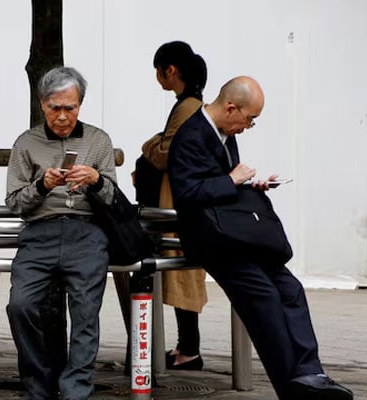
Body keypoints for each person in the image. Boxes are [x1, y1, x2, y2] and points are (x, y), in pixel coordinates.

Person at [167, 76, 353, 400]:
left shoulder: (225, 132)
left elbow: (222, 185)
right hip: (213, 241)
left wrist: (250, 185)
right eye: (250, 118)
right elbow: (187, 195)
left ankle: (311, 373)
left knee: (291, 288)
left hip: (236, 232)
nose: (249, 126)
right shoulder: (191, 135)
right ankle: (291, 387)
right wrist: (230, 179)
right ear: (230, 108)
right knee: (264, 298)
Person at [5, 66, 116, 400]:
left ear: (80, 104)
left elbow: (112, 196)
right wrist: (42, 185)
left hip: (86, 232)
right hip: (40, 232)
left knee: (85, 312)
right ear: (43, 104)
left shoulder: (98, 141)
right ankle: (39, 384)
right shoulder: (26, 143)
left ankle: (75, 389)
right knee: (20, 306)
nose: (63, 116)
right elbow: (14, 202)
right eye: (56, 108)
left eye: (71, 108)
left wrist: (95, 180)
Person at [134, 41, 207, 370]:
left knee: (181, 274)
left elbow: (166, 152)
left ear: (170, 70)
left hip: (177, 204)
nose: (157, 77)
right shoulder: (191, 104)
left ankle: (188, 350)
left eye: (158, 70)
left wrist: (148, 144)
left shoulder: (187, 107)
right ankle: (185, 348)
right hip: (180, 201)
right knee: (181, 275)